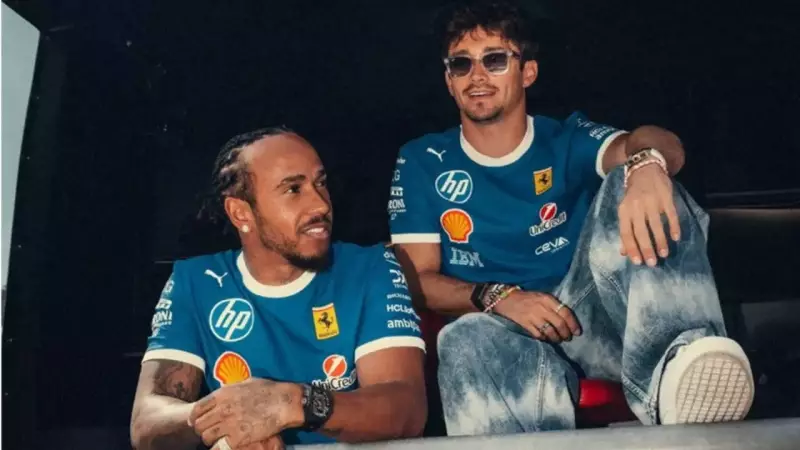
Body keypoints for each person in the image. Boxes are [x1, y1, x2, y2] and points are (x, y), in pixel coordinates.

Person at [389, 0, 755, 436]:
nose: (478, 75)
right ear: (449, 80)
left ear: (527, 72)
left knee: (634, 176)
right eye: (462, 64)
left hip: (590, 319)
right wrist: (498, 297)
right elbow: (417, 279)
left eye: (495, 60)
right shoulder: (423, 160)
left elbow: (654, 141)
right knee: (462, 337)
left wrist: (649, 164)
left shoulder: (565, 138)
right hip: (501, 331)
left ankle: (678, 368)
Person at [130, 127, 427, 450]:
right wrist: (230, 422)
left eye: (320, 183)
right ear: (241, 213)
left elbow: (406, 409)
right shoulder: (196, 281)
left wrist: (294, 402)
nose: (320, 205)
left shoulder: (370, 267)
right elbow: (147, 422)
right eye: (293, 189)